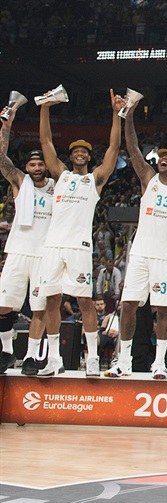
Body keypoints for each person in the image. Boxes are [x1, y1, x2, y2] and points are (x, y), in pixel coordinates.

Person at [106, 97, 167, 379]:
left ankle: (159, 362)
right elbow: (132, 147)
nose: (162, 159)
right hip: (141, 253)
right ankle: (124, 361)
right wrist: (129, 115)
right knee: (129, 305)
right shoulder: (148, 178)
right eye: (160, 156)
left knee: (163, 309)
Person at [36, 89, 125, 377]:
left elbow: (114, 148)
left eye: (85, 150)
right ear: (71, 154)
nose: (80, 152)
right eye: (76, 149)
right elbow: (46, 141)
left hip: (79, 246)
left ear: (88, 156)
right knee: (51, 300)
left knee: (85, 301)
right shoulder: (60, 174)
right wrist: (45, 107)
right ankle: (53, 359)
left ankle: (93, 358)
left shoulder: (95, 179)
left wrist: (116, 113)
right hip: (53, 245)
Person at [0, 107, 53, 375]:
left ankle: (31, 357)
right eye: (32, 165)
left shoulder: (57, 185)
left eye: (40, 164)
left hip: (44, 255)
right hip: (18, 250)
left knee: (39, 308)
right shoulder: (21, 183)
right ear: (27, 168)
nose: (37, 168)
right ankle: (7, 351)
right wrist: (6, 127)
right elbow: (1, 159)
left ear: (46, 166)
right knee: (3, 306)